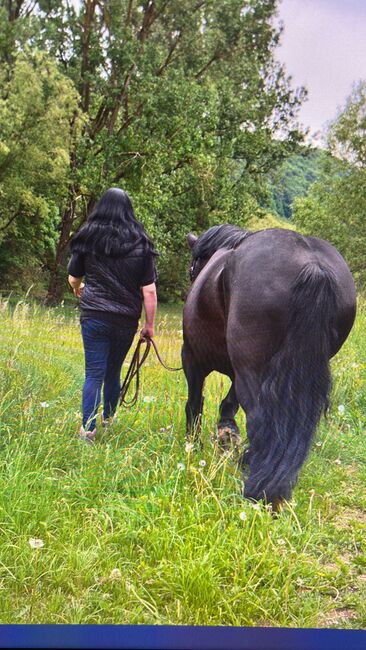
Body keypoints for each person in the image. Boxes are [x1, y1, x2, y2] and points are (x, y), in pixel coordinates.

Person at [67, 187, 158, 443]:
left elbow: (74, 277)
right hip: (125, 320)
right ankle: (108, 418)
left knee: (94, 373)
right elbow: (149, 291)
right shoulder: (141, 242)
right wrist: (149, 326)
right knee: (113, 371)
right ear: (128, 210)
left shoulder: (88, 237)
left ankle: (88, 430)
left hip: (94, 315)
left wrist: (79, 289)